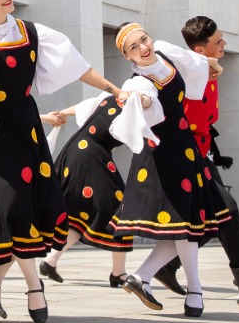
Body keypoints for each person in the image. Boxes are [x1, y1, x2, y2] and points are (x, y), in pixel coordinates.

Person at [0, 0, 126, 323]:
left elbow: (77, 66)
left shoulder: (32, 32)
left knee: (30, 206)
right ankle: (34, 286)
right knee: (8, 203)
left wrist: (113, 89)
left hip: (26, 130)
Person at [108, 22, 230, 318]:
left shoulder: (163, 50)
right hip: (163, 154)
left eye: (143, 39)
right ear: (128, 57)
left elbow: (193, 61)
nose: (143, 47)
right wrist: (140, 100)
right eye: (134, 47)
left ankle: (145, 276)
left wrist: (212, 64)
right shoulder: (139, 81)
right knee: (187, 223)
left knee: (187, 225)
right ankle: (194, 290)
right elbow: (143, 99)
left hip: (184, 146)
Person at [152, 16, 239, 306]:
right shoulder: (183, 72)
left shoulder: (210, 72)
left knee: (216, 219)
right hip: (184, 156)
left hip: (204, 153)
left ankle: (168, 267)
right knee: (228, 211)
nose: (224, 44)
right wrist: (202, 65)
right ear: (200, 51)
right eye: (218, 42)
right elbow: (160, 45)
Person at [37, 88, 159, 289]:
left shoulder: (108, 99)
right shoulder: (136, 110)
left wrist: (61, 114)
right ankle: (118, 272)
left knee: (81, 212)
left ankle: (50, 261)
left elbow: (82, 107)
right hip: (90, 156)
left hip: (77, 152)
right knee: (121, 210)